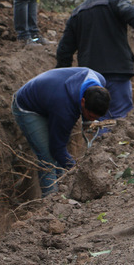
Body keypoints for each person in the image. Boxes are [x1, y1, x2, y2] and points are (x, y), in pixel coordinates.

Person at [11, 67, 110, 196]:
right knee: (48, 158)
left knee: (59, 152)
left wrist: (87, 121)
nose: (92, 120)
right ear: (83, 101)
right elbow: (57, 148)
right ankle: (51, 200)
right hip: (28, 107)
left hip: (49, 98)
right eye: (90, 116)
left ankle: (63, 189)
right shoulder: (64, 108)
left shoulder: (99, 82)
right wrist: (76, 170)